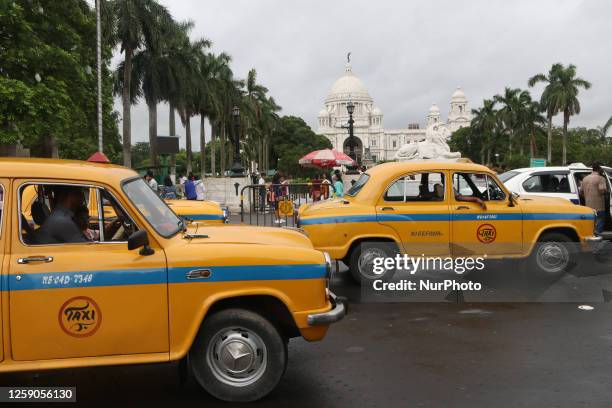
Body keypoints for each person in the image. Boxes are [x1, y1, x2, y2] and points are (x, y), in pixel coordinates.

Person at [580, 162, 609, 234]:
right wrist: (607, 192)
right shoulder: (601, 178)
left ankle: (591, 234)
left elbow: (581, 192)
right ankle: (597, 235)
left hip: (588, 206)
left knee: (591, 221)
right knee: (600, 220)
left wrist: (587, 197)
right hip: (599, 206)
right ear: (599, 169)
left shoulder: (585, 178)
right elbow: (602, 190)